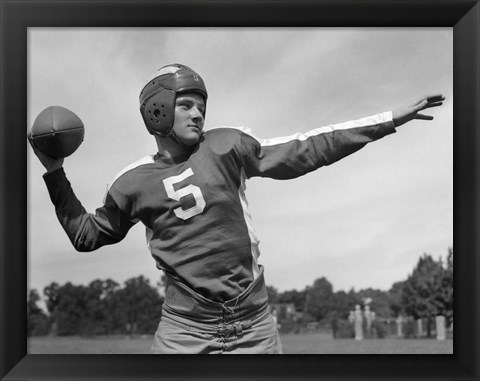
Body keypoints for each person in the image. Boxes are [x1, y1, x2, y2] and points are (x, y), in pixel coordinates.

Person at [28, 63, 444, 354]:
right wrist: (54, 172)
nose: (199, 111)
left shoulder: (227, 145)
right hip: (185, 330)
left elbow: (307, 148)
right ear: (157, 109)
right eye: (186, 103)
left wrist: (389, 119)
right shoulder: (130, 183)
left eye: (201, 103)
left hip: (254, 323)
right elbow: (85, 236)